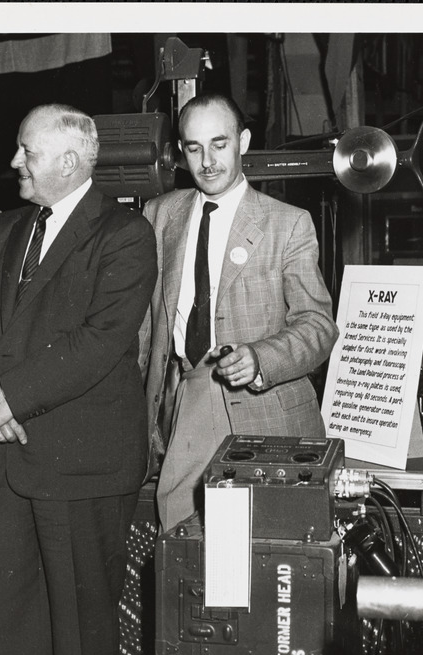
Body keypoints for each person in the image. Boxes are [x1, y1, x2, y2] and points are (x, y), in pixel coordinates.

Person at [0, 104, 158, 655]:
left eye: (26, 152)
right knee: (12, 612)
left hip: (81, 464)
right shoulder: (3, 231)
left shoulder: (125, 234)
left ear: (70, 162)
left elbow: (99, 343)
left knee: (80, 622)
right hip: (4, 453)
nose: (14, 163)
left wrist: (13, 397)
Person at [143, 93, 339, 531]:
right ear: (179, 153)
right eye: (193, 148)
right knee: (184, 553)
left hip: (266, 411)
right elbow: (145, 327)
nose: (207, 161)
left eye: (219, 144)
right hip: (184, 406)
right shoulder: (159, 216)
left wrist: (260, 358)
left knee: (268, 562)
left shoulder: (288, 223)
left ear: (243, 141)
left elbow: (319, 326)